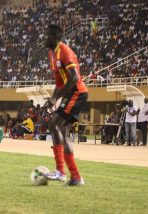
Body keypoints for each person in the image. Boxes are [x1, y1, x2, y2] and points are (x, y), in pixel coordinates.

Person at [44, 24, 88, 186]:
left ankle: (60, 172)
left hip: (77, 92)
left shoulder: (64, 51)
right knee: (62, 131)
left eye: (47, 35)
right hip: (70, 94)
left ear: (55, 37)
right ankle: (76, 177)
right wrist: (54, 98)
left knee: (54, 125)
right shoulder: (52, 54)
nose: (45, 38)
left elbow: (74, 78)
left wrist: (58, 98)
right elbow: (59, 83)